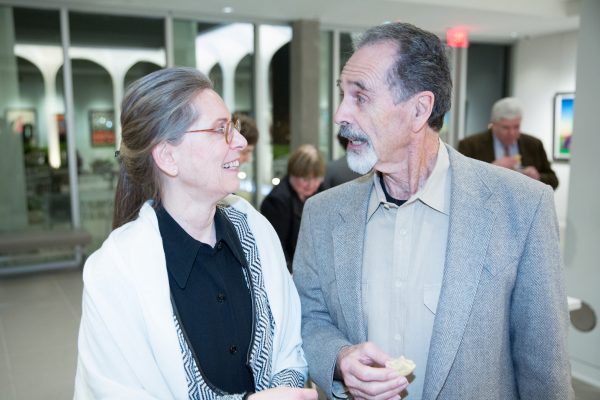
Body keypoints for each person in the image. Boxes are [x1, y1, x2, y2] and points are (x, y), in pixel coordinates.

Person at [293, 22, 573, 400]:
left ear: (419, 109)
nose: (341, 114)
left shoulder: (522, 207)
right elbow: (308, 318)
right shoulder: (322, 213)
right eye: (343, 95)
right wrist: (340, 359)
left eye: (360, 97)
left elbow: (544, 368)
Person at [75, 67, 317, 400]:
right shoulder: (115, 272)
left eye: (233, 126)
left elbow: (289, 343)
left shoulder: (256, 231)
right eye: (220, 129)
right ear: (168, 156)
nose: (241, 142)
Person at [458, 97, 559, 189]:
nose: (512, 133)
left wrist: (537, 177)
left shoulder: (534, 145)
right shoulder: (470, 145)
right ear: (493, 124)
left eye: (516, 127)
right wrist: (490, 169)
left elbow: (554, 181)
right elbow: (460, 181)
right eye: (506, 128)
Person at [260, 144, 324, 273]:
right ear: (292, 174)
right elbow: (277, 249)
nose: (311, 184)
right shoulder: (276, 202)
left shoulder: (321, 192)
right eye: (305, 179)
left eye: (316, 178)